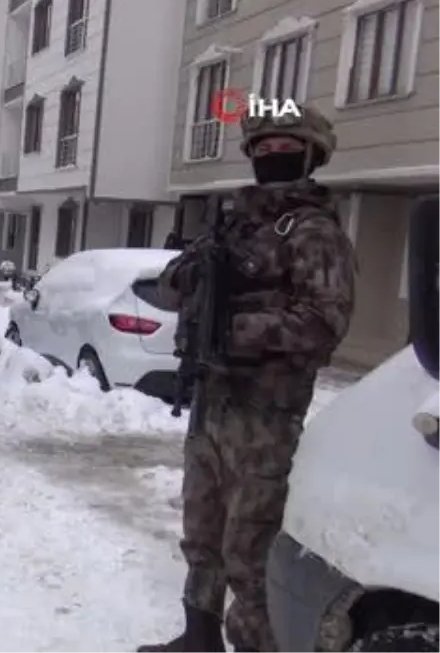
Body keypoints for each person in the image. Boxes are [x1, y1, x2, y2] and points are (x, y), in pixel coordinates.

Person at [138, 107, 356, 653]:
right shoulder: (233, 227)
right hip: (213, 404)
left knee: (249, 550)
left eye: (282, 144)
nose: (269, 155)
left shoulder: (313, 232)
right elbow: (168, 286)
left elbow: (325, 323)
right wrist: (192, 275)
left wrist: (237, 330)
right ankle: (199, 638)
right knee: (201, 535)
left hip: (266, 416)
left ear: (309, 153)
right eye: (260, 147)